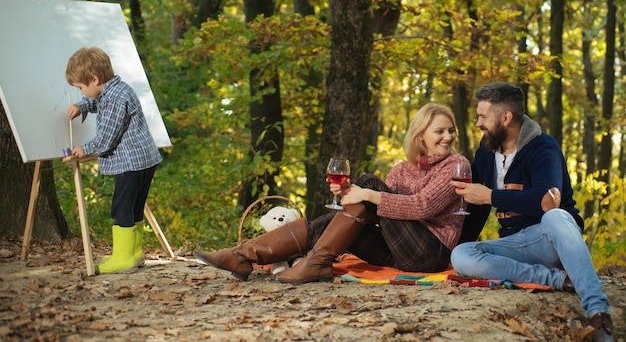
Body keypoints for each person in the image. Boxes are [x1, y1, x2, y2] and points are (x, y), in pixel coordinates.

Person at [195, 103, 469, 284]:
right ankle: (245, 256)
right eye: (440, 131)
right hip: (396, 250)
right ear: (421, 135)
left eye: (451, 130)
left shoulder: (457, 165)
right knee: (357, 201)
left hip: (429, 253)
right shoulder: (401, 169)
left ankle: (304, 261)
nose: (448, 137)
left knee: (370, 184)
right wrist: (349, 194)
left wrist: (367, 194)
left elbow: (422, 207)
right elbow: (377, 214)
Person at [450, 82, 615, 342]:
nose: (479, 122)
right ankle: (558, 279)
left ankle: (599, 315)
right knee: (462, 255)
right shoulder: (486, 149)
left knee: (555, 215)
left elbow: (546, 200)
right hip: (515, 245)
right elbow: (477, 208)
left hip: (550, 240)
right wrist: (457, 243)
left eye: (483, 116)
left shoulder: (543, 148)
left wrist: (491, 195)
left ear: (505, 118)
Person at [65, 47, 162, 275]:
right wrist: (82, 105)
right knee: (134, 207)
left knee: (121, 208)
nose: (81, 93)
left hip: (131, 162)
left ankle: (124, 259)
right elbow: (97, 101)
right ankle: (132, 254)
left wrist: (83, 149)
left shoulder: (115, 99)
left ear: (94, 79)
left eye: (81, 88)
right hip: (143, 160)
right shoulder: (116, 90)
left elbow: (107, 138)